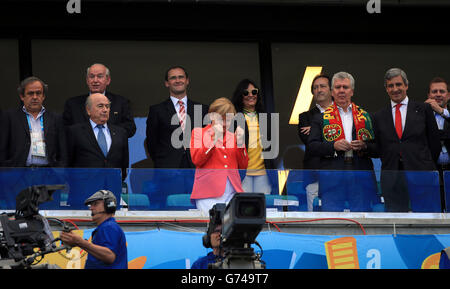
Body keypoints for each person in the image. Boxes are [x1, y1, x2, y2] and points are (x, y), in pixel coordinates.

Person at [372, 68, 441, 212]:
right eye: (391, 86)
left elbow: (434, 143)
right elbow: (380, 147)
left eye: (398, 84)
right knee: (397, 226)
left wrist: (425, 165)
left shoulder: (423, 109)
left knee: (426, 221)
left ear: (406, 86)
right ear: (386, 89)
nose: (395, 89)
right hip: (393, 179)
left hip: (421, 175)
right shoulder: (379, 116)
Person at [308, 72, 378, 212]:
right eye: (338, 87)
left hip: (359, 175)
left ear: (351, 91)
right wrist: (333, 146)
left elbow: (378, 148)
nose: (341, 91)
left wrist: (365, 145)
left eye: (345, 87)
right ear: (332, 92)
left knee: (362, 219)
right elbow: (312, 147)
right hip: (332, 177)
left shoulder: (365, 116)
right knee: (333, 221)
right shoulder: (320, 118)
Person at [190, 97, 248, 215]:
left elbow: (243, 165)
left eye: (229, 120)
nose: (225, 123)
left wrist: (241, 143)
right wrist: (214, 138)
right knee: (212, 229)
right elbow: (197, 160)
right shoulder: (198, 133)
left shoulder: (233, 136)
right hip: (207, 193)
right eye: (222, 119)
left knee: (231, 231)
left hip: (232, 193)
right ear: (211, 116)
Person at [146, 66, 208, 169]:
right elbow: (152, 143)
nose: (178, 80)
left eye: (181, 77)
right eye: (173, 78)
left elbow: (206, 141)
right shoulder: (157, 110)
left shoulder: (202, 109)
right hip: (168, 168)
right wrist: (163, 160)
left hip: (196, 167)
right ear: (167, 83)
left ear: (187, 81)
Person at [0, 76, 67, 167]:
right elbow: (3, 148)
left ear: (43, 96)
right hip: (19, 174)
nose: (35, 97)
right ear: (22, 96)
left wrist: (60, 171)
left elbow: (63, 150)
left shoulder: (56, 118)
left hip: (48, 173)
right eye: (30, 93)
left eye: (38, 93)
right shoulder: (9, 117)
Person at [63, 63, 136, 138]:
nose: (95, 80)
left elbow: (130, 128)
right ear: (87, 80)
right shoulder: (73, 104)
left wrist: (105, 131)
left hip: (112, 148)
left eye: (100, 76)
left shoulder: (121, 102)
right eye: (91, 76)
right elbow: (65, 130)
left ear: (108, 80)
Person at [66, 93, 129, 179]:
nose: (105, 110)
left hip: (112, 187)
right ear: (88, 110)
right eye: (100, 106)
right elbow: (67, 162)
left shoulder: (120, 133)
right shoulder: (75, 132)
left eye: (107, 106)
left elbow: (124, 163)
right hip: (84, 187)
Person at [60, 190, 128, 269]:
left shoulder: (109, 227)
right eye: (91, 205)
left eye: (95, 204)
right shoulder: (105, 227)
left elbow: (109, 256)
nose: (91, 208)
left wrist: (80, 242)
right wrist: (77, 242)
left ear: (109, 206)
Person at [231, 79, 274, 195]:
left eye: (254, 92)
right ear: (240, 96)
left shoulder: (266, 117)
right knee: (243, 208)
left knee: (263, 208)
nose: (251, 95)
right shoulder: (234, 118)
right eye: (246, 93)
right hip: (242, 173)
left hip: (263, 173)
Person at [297, 74, 333, 211]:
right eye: (315, 87)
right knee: (314, 218)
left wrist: (316, 129)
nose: (319, 90)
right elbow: (311, 143)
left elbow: (344, 137)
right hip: (314, 176)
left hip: (339, 174)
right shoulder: (304, 117)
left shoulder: (342, 112)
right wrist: (330, 132)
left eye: (323, 86)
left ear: (331, 90)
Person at [425, 77, 450, 211]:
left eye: (442, 91)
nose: (438, 94)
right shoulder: (422, 116)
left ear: (449, 95)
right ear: (429, 96)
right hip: (431, 172)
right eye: (434, 91)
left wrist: (441, 111)